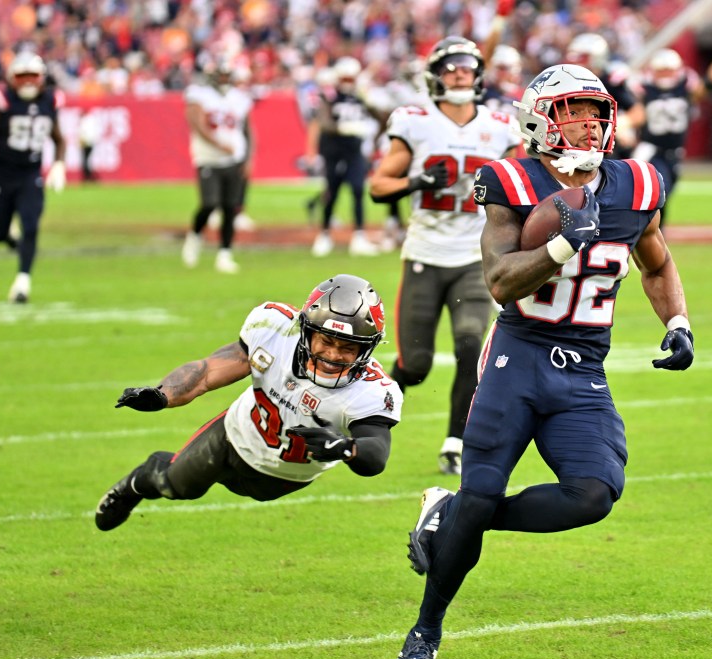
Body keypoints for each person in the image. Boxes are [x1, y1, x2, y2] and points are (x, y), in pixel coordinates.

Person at [394, 64, 694, 659]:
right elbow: (501, 282)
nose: (588, 122)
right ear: (537, 118)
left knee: (593, 494)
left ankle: (448, 514)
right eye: (571, 111)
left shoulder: (637, 184)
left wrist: (678, 323)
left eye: (594, 111)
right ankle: (426, 628)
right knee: (482, 492)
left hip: (584, 365)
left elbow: (656, 264)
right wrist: (560, 245)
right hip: (518, 357)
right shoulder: (511, 179)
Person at [95, 274, 403, 532]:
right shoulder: (275, 329)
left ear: (367, 348)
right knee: (175, 484)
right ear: (306, 331)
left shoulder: (372, 391)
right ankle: (136, 483)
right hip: (232, 437)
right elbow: (208, 371)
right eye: (327, 341)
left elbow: (376, 452)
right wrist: (164, 394)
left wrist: (348, 448)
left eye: (348, 347)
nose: (334, 355)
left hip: (282, 478)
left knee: (247, 492)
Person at [369, 36, 520, 475]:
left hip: (475, 256)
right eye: (451, 65)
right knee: (414, 365)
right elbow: (380, 185)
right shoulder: (415, 121)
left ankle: (455, 441)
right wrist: (417, 181)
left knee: (471, 344)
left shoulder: (499, 125)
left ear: (479, 75)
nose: (459, 72)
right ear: (435, 75)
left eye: (467, 66)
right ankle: (371, 416)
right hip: (425, 253)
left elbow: (521, 184)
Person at [0, 51, 66, 304]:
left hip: (30, 174)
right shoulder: (2, 100)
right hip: (0, 174)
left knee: (31, 225)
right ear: (12, 78)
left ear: (42, 77)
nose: (28, 82)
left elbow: (59, 138)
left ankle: (23, 282)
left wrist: (58, 163)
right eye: (22, 76)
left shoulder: (50, 101)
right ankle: (11, 239)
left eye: (32, 76)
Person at [632, 39, 712, 231]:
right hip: (649, 149)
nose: (665, 74)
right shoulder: (645, 89)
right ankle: (645, 232)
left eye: (669, 70)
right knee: (656, 192)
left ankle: (656, 233)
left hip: (675, 150)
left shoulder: (685, 87)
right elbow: (634, 113)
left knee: (666, 193)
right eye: (661, 70)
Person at [180, 57, 255, 274]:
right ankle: (194, 236)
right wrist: (219, 144)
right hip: (208, 158)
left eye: (226, 75)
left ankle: (225, 255)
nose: (223, 79)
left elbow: (249, 131)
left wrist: (249, 158)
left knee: (231, 209)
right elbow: (196, 123)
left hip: (234, 159)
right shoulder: (199, 95)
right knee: (209, 204)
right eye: (220, 75)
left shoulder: (240, 98)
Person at [308, 57, 381, 258]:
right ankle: (324, 234)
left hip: (355, 150)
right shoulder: (329, 96)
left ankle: (359, 236)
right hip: (334, 150)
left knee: (358, 189)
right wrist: (343, 127)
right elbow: (323, 121)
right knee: (332, 191)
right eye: (345, 78)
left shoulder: (360, 96)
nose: (349, 82)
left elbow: (379, 116)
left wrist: (369, 101)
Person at [564, 32, 642, 159]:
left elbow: (638, 113)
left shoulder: (610, 81)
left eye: (582, 57)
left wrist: (619, 125)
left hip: (604, 144)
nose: (576, 62)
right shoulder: (567, 80)